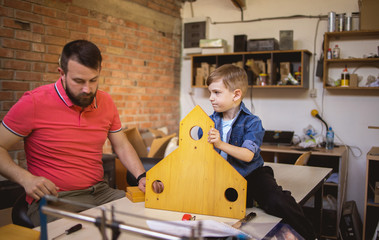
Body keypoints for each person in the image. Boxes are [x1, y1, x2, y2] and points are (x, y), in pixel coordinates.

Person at [0, 40, 160, 226]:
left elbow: (121, 145)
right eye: (78, 81)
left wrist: (141, 177)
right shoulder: (34, 102)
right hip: (57, 198)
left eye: (93, 80)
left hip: (101, 191)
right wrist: (25, 178)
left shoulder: (106, 101)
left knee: (145, 222)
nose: (87, 89)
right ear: (62, 73)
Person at [205, 64, 316, 239]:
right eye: (210, 92)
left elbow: (248, 155)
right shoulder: (208, 121)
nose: (211, 98)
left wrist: (220, 144)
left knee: (277, 201)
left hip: (252, 174)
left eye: (216, 92)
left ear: (236, 94)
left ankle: (310, 235)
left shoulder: (252, 122)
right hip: (223, 177)